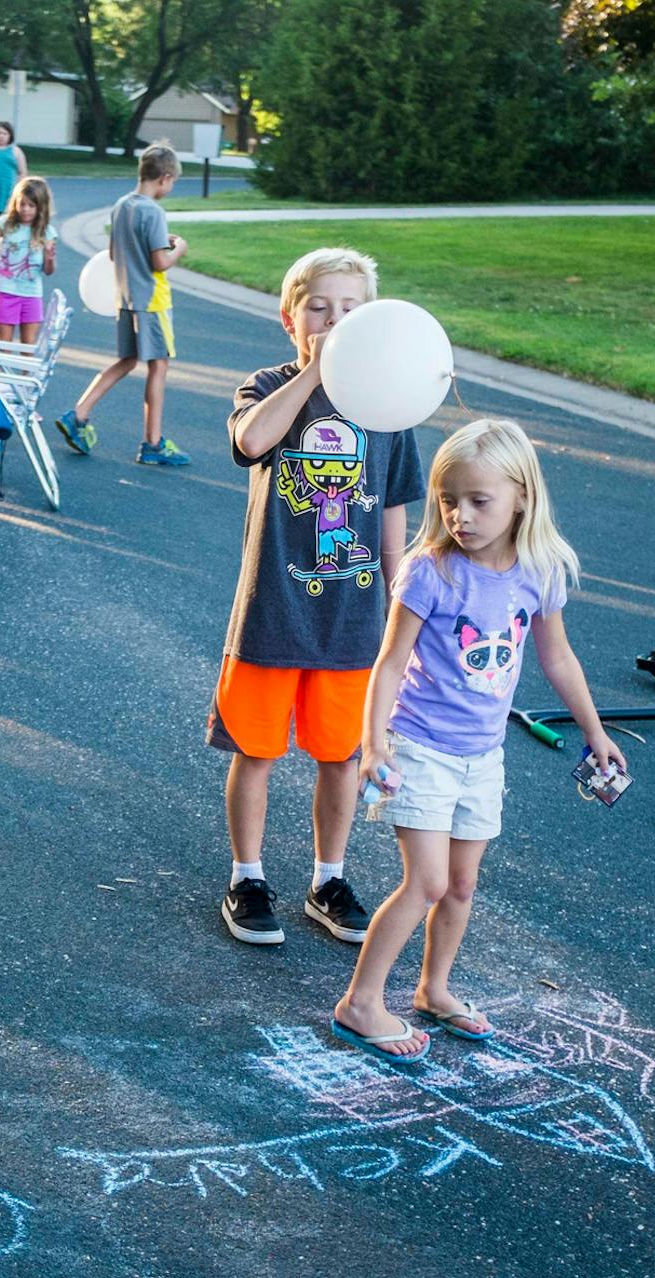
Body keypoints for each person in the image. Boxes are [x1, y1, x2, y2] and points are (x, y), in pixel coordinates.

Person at [332, 419, 623, 1063]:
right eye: (447, 500)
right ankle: (360, 1003)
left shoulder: (539, 571)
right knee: (427, 883)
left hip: (482, 755)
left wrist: (595, 734)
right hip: (420, 746)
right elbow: (388, 662)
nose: (460, 515)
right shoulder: (430, 572)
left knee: (461, 885)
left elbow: (559, 658)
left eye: (478, 500)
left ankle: (433, 988)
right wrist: (373, 744)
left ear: (521, 495)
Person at [206, 246, 426, 949]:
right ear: (289, 318)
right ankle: (248, 875)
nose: (334, 321)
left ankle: (329, 878)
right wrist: (313, 372)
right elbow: (251, 440)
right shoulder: (268, 384)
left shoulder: (389, 404)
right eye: (319, 308)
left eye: (350, 310)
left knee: (341, 755)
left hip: (352, 617)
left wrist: (401, 595)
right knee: (257, 749)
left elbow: (393, 508)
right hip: (274, 609)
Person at [56, 141, 187, 466]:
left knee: (127, 360)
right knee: (159, 366)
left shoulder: (121, 206)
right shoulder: (153, 211)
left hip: (126, 297)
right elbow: (160, 262)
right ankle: (153, 444)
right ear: (165, 177)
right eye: (173, 182)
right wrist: (179, 248)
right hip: (152, 302)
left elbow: (114, 254)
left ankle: (79, 413)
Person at [0, 175, 56, 344]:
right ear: (15, 203)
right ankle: (1, 370)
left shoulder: (47, 232)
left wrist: (49, 258)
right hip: (7, 292)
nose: (26, 209)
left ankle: (27, 372)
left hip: (32, 294)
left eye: (31, 205)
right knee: (3, 343)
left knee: (28, 344)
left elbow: (48, 271)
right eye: (22, 204)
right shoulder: (6, 223)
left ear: (40, 207)